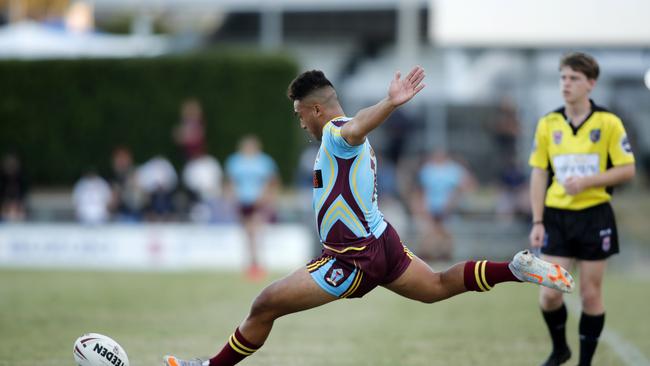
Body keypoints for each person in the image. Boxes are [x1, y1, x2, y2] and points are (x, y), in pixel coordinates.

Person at [164, 66, 575, 366]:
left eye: (299, 115)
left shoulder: (335, 132)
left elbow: (356, 126)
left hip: (351, 257)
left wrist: (390, 104)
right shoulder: (341, 135)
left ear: (315, 110)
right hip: (382, 241)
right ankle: (514, 269)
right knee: (435, 286)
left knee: (265, 303)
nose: (300, 123)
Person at [528, 52, 636, 366]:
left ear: (591, 83)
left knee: (590, 293)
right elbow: (538, 172)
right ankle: (560, 348)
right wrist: (538, 220)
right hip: (557, 218)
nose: (566, 84)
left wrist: (588, 182)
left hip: (594, 217)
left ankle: (585, 363)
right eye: (563, 77)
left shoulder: (608, 123)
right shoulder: (548, 123)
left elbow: (627, 169)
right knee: (549, 293)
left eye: (574, 78)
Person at [225, 135, 279, 280]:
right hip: (242, 202)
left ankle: (256, 265)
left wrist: (268, 198)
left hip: (258, 202)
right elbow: (230, 181)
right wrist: (231, 197)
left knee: (255, 231)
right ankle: (252, 264)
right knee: (248, 235)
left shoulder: (264, 161)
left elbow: (272, 181)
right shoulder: (235, 161)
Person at [412, 149, 475, 261]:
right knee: (428, 234)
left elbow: (468, 185)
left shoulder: (454, 169)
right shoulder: (427, 169)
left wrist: (453, 201)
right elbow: (420, 190)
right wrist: (422, 208)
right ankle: (428, 258)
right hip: (430, 209)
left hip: (450, 209)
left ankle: (446, 257)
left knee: (447, 235)